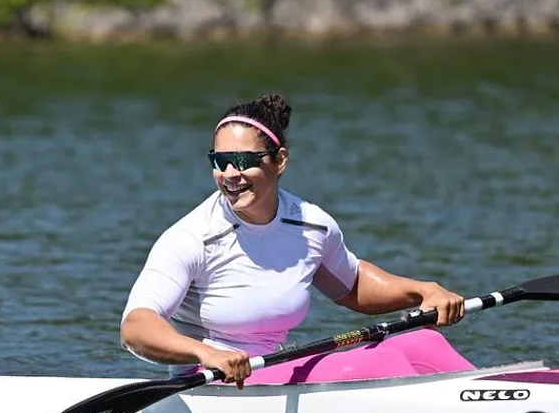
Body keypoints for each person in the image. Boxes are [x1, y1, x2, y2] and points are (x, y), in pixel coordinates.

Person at [120, 93, 472, 388]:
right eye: (220, 161)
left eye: (243, 161)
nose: (229, 175)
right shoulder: (193, 237)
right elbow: (136, 326)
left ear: (280, 160)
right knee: (366, 365)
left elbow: (352, 286)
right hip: (213, 379)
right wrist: (206, 354)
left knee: (423, 342)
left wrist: (424, 292)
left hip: (275, 368)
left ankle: (505, 395)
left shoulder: (311, 225)